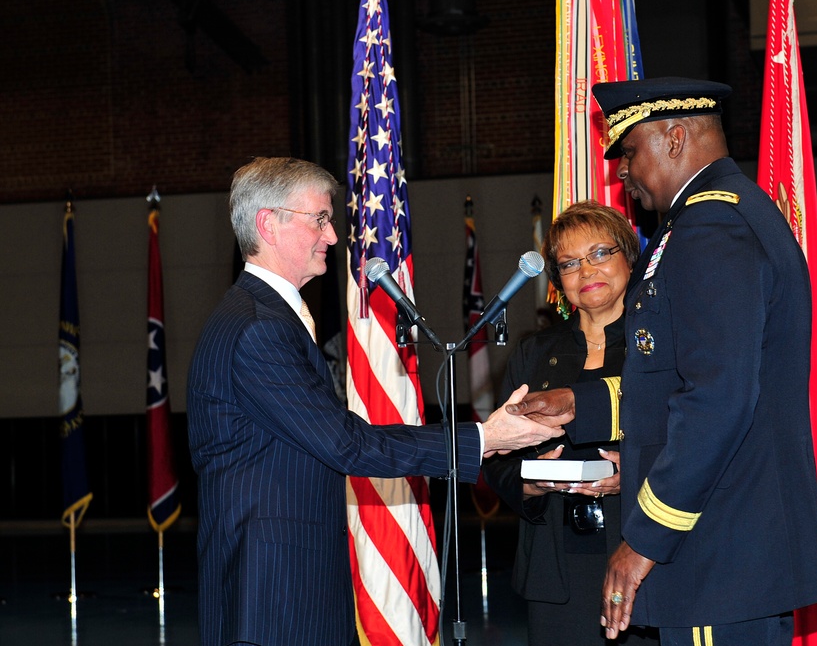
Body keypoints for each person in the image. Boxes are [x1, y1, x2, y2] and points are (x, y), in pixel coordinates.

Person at [507, 78, 817, 645]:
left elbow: (716, 400)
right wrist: (574, 404)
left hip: (716, 552)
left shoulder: (711, 230)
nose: (623, 172)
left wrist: (645, 539)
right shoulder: (714, 220)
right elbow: (674, 381)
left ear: (676, 137)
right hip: (725, 549)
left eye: (629, 152)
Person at [186, 156, 562, 646]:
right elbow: (346, 445)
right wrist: (484, 438)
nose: (333, 236)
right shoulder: (258, 327)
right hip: (275, 595)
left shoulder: (259, 315)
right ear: (267, 224)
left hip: (284, 585)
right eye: (319, 219)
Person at [483, 203, 655, 645]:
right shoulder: (534, 352)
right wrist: (531, 484)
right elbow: (498, 459)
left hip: (643, 554)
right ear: (558, 281)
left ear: (629, 259)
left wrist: (631, 474)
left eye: (600, 253)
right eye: (570, 263)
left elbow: (691, 443)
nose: (587, 270)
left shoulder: (660, 346)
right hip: (554, 568)